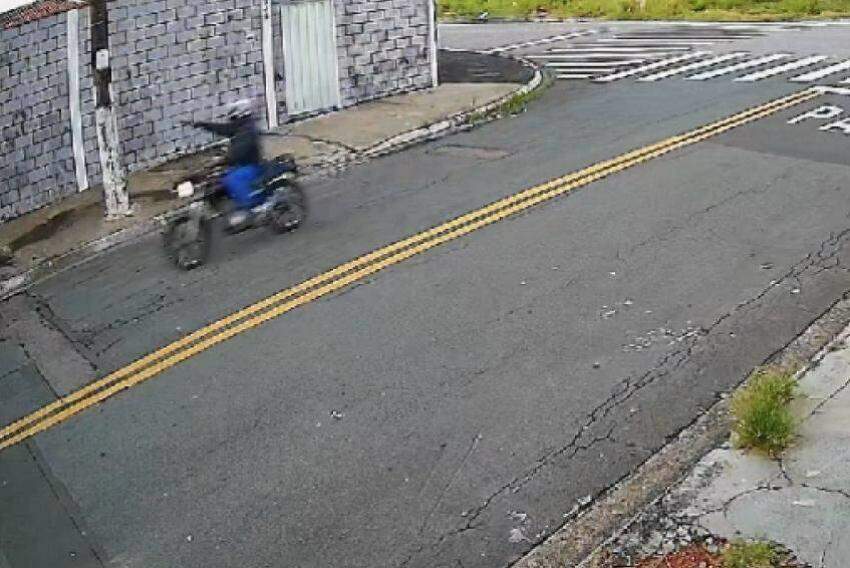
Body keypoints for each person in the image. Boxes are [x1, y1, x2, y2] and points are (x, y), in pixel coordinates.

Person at [191, 100, 265, 227]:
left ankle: (248, 209)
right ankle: (229, 207)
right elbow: (223, 128)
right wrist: (202, 124)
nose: (231, 118)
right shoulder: (240, 126)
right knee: (216, 180)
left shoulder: (247, 130)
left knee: (231, 179)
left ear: (240, 114)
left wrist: (221, 161)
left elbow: (238, 153)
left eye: (233, 116)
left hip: (251, 166)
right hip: (241, 165)